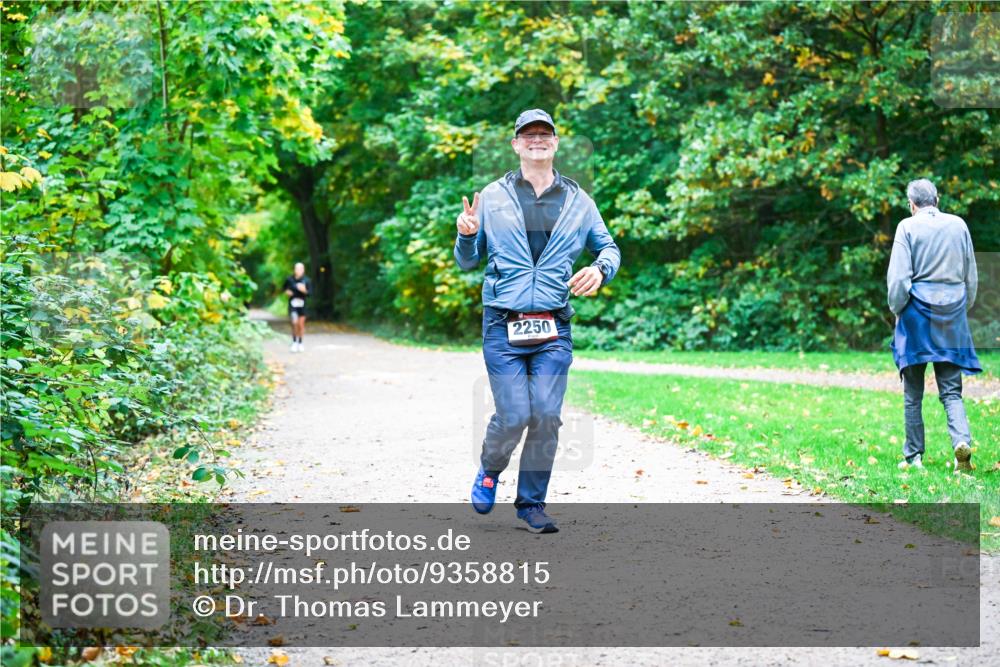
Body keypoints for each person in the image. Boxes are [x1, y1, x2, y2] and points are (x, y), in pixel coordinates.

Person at [454, 108, 621, 533]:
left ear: (556, 143)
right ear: (515, 145)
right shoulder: (491, 197)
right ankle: (490, 470)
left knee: (545, 414)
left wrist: (601, 269)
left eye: (544, 134)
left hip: (553, 326)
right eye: (528, 135)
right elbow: (467, 263)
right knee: (514, 415)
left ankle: (531, 505)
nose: (536, 140)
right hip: (502, 324)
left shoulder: (580, 201)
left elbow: (610, 248)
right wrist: (468, 235)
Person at [887, 178, 980, 473]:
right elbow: (971, 276)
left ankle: (913, 457)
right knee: (952, 391)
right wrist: (960, 309)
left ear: (911, 204)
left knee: (913, 392)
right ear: (937, 198)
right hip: (951, 313)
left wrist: (897, 310)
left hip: (916, 315)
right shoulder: (959, 225)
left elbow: (899, 279)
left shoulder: (906, 226)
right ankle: (960, 445)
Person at [283, 262, 311, 353]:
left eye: (300, 269)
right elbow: (284, 289)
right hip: (293, 305)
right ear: (294, 269)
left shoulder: (307, 280)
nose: (298, 271)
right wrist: (287, 292)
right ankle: (294, 342)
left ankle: (300, 343)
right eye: (297, 269)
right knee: (294, 323)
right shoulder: (289, 279)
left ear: (303, 270)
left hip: (302, 305)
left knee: (301, 324)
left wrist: (304, 291)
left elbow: (310, 293)